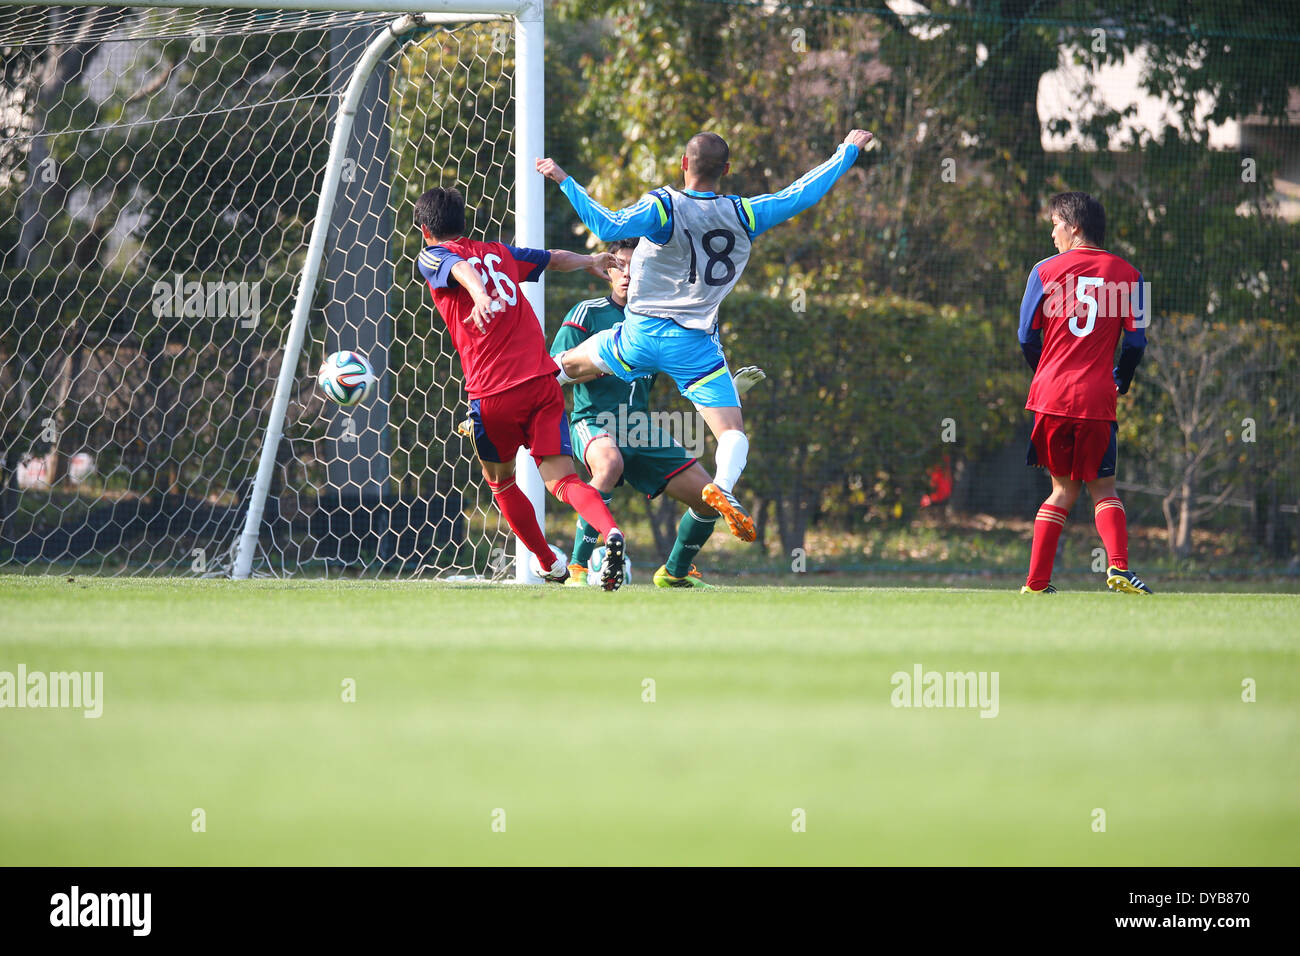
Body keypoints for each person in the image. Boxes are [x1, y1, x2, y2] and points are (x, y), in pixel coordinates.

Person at [535, 128, 872, 545]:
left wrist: (565, 180)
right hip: (695, 346)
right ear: (726, 170)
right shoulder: (745, 214)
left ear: (683, 164)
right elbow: (800, 194)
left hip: (639, 333)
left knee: (568, 365)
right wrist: (845, 152)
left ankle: (500, 404)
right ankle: (724, 486)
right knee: (732, 433)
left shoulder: (664, 207)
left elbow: (606, 223)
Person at [414, 185, 626, 589]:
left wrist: (478, 295)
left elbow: (459, 269)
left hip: (493, 393)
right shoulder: (500, 252)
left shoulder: (435, 254)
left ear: (426, 231)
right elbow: (554, 259)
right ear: (464, 222)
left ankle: (547, 561)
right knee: (564, 481)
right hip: (543, 384)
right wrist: (591, 260)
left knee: (502, 483)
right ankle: (611, 531)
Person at [549, 238, 766, 588]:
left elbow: (690, 374)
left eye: (638, 266)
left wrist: (727, 394)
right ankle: (577, 568)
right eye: (619, 264)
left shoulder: (662, 320)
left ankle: (676, 572)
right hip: (592, 421)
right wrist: (611, 362)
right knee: (608, 464)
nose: (628, 273)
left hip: (640, 428)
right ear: (607, 268)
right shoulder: (586, 313)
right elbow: (554, 373)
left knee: (712, 497)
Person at [1017, 191, 1153, 595]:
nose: (1052, 232)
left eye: (1056, 224)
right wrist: (1120, 380)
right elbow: (1136, 343)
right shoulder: (1132, 276)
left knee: (1061, 490)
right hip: (1096, 397)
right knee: (1104, 489)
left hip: (1050, 396)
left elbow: (1026, 336)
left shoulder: (1042, 271)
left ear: (1074, 227)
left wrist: (1047, 374)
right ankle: (1117, 568)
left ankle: (1037, 584)